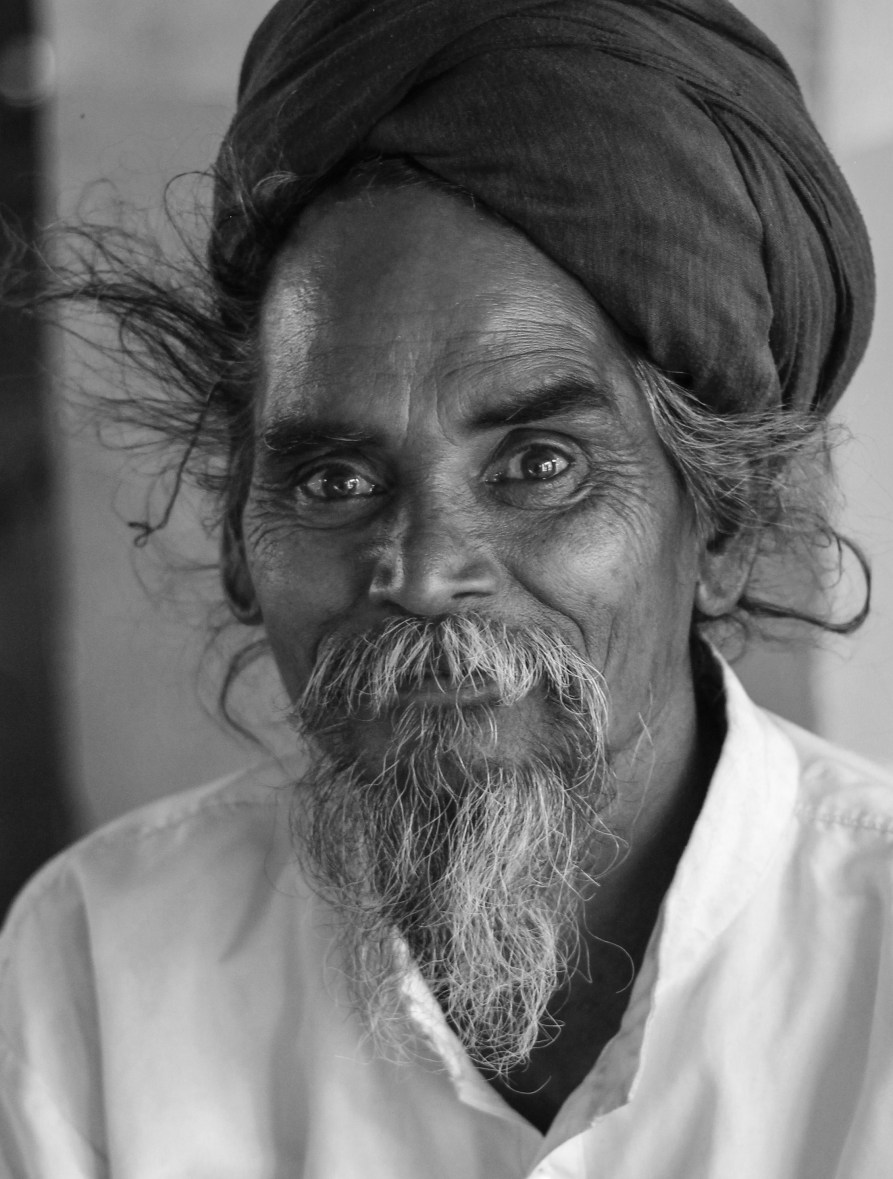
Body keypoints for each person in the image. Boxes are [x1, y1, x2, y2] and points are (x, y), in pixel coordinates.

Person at [1, 0, 890, 1175]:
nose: (419, 572)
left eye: (538, 466)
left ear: (717, 523)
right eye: (330, 478)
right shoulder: (101, 958)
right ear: (233, 538)